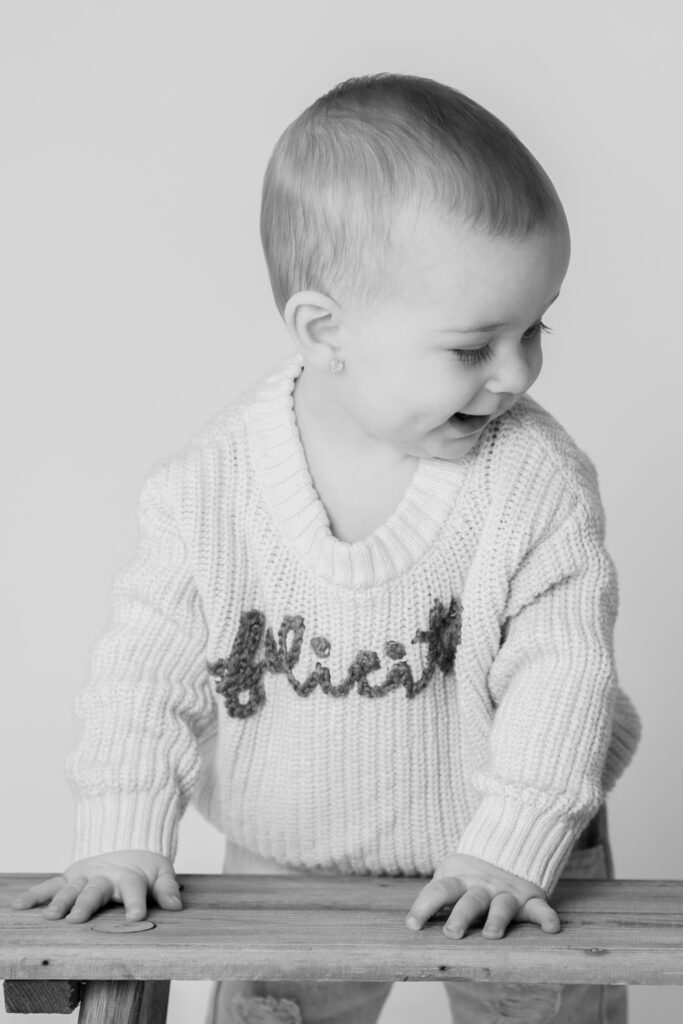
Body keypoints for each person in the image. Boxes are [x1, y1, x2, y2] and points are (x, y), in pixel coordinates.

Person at [13, 73, 641, 1023]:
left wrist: (515, 841)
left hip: (518, 830)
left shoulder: (534, 481)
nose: (516, 373)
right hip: (291, 839)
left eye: (535, 328)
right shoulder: (210, 488)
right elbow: (145, 675)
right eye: (473, 347)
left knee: (543, 1009)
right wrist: (123, 835)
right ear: (324, 330)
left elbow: (564, 678)